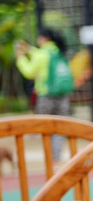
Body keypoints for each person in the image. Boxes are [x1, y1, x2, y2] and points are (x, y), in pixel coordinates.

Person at [13, 27, 72, 161]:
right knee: (59, 130)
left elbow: (29, 72)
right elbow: (40, 53)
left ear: (44, 38)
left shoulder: (42, 54)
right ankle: (56, 159)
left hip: (47, 96)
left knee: (46, 128)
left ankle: (49, 160)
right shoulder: (59, 52)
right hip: (62, 97)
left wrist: (20, 58)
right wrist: (28, 49)